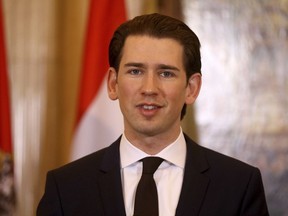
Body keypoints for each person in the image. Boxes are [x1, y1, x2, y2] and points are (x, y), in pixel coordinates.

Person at [37, 13, 269, 216]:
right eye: (135, 71)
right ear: (113, 84)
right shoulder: (66, 188)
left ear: (191, 88)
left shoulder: (239, 186)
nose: (149, 88)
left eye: (166, 73)